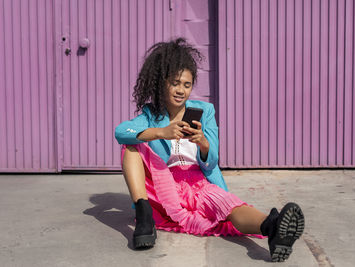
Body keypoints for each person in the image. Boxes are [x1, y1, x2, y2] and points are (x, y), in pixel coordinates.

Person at [114, 38, 304, 262]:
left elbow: (211, 161)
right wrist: (161, 132)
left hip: (197, 182)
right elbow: (121, 131)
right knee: (131, 146)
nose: (181, 90)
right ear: (161, 83)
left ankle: (272, 226)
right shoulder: (150, 115)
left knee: (228, 207)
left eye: (187, 84)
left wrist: (203, 142)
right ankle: (143, 213)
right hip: (163, 186)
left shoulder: (205, 111)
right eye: (175, 83)